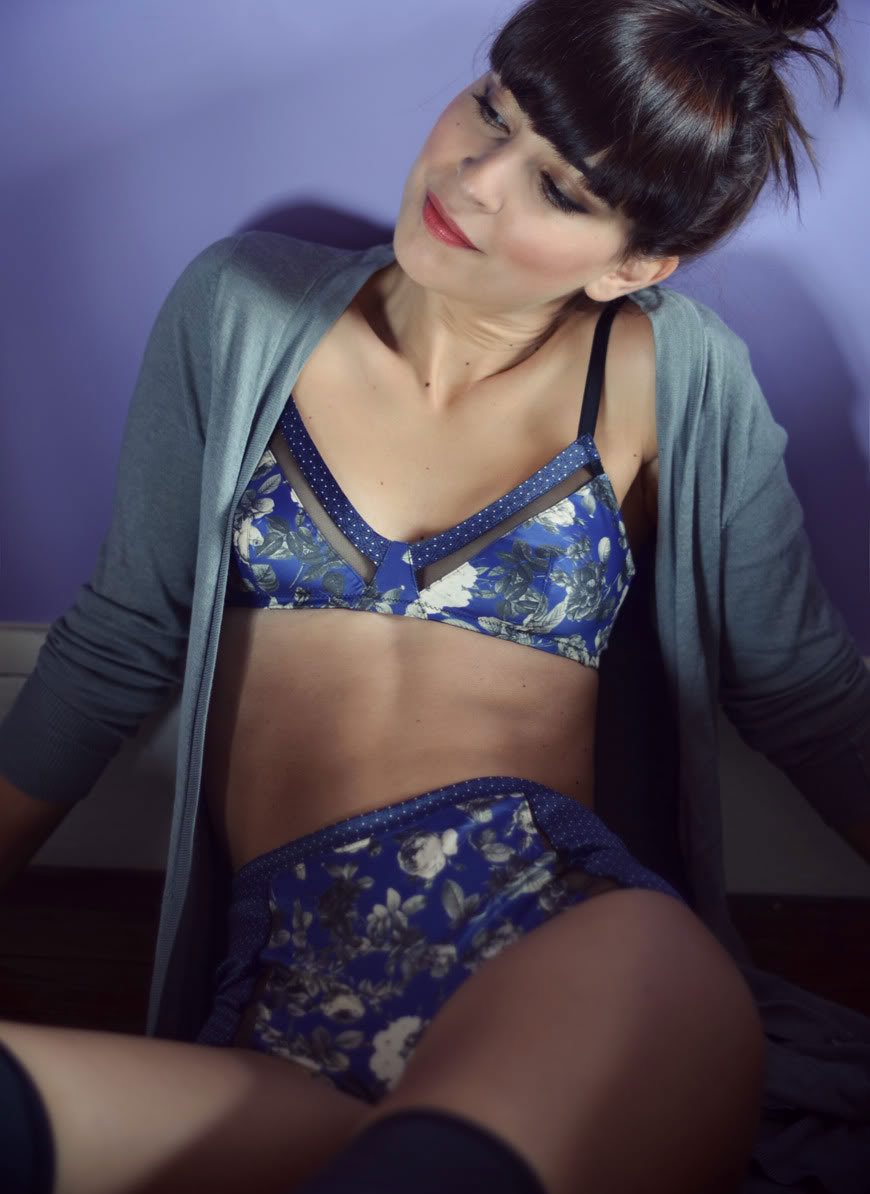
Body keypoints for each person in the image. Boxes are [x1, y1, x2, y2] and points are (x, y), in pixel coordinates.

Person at [1, 0, 869, 1191]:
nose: (476, 177)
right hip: (289, 993)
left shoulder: (670, 374)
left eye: (559, 189)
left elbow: (802, 692)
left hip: (572, 946)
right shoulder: (242, 306)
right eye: (494, 111)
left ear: (635, 265)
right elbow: (119, 638)